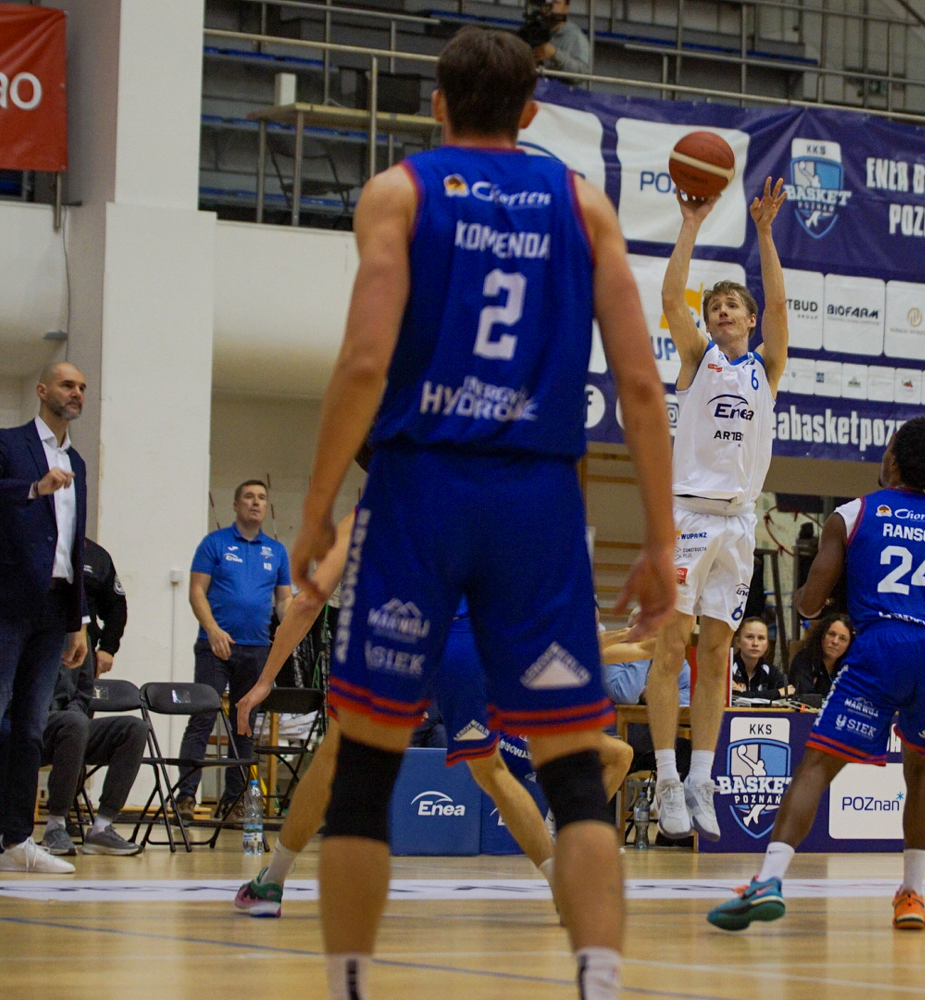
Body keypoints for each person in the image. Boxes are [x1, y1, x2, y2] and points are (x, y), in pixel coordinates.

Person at [285, 28, 674, 1000]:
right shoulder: (583, 205)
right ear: (531, 113)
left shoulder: (399, 192)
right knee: (574, 774)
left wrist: (318, 507)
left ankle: (348, 984)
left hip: (418, 489)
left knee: (366, 767)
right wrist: (661, 537)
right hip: (536, 498)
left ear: (436, 103)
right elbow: (638, 383)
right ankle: (598, 982)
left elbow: (364, 361)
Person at [232, 508, 636, 919]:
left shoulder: (370, 512)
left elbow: (307, 602)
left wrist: (266, 679)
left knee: (335, 757)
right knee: (490, 770)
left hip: (394, 636)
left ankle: (272, 881)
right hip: (464, 643)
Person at [707, 418, 925, 933]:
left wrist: (806, 598)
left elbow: (810, 604)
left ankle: (769, 880)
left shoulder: (853, 514)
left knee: (817, 766)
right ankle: (912, 895)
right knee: (922, 771)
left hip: (882, 644)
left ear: (895, 460)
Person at [646, 175, 788, 843]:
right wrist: (691, 224)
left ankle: (701, 775)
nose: (724, 310)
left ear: (751, 320)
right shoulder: (698, 359)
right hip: (689, 518)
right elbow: (671, 297)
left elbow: (779, 305)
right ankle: (665, 779)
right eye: (717, 305)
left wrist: (764, 232)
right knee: (671, 647)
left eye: (734, 304)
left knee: (717, 652)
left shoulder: (767, 368)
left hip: (738, 523)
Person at [0, 361, 90, 877]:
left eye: (82, 387)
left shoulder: (76, 460)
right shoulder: (6, 442)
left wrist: (78, 619)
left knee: (32, 729)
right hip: (7, 603)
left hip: (55, 607)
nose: (76, 392)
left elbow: (72, 544)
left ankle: (15, 839)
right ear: (42, 390)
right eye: (67, 385)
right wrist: (33, 487)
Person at [174, 480, 291, 817]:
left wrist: (291, 629)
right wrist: (212, 630)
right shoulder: (215, 543)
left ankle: (234, 801)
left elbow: (284, 600)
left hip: (257, 649)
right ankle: (185, 797)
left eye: (262, 498)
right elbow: (197, 591)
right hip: (216, 647)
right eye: (249, 497)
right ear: (236, 505)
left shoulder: (276, 551)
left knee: (244, 723)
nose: (256, 502)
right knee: (202, 718)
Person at [26, 537, 144, 856]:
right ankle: (55, 827)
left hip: (68, 729)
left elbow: (83, 693)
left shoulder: (82, 640)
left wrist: (106, 647)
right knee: (74, 723)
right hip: (31, 730)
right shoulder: (24, 635)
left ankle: (102, 827)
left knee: (134, 728)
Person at [787, 613, 852, 698]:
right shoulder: (804, 659)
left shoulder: (848, 666)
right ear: (822, 636)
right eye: (831, 634)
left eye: (842, 639)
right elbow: (807, 697)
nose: (835, 641)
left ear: (848, 646)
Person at [731, 616, 789, 699]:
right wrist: (777, 693)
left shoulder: (769, 669)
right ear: (738, 641)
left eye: (761, 638)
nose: (755, 643)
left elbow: (789, 692)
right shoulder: (727, 667)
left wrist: (744, 693)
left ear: (767, 644)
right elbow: (733, 696)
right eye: (750, 637)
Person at [529, 0, 590, 76]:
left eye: (555, 2)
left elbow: (582, 72)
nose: (550, 6)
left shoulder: (575, 36)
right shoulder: (534, 30)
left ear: (566, 8)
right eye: (547, 2)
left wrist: (554, 54)